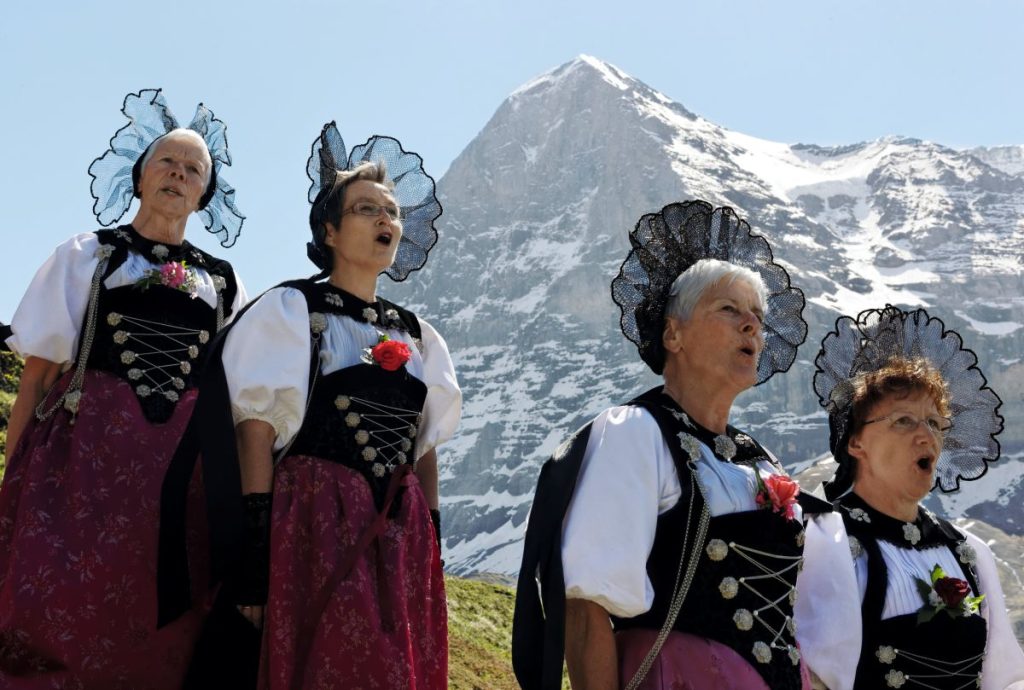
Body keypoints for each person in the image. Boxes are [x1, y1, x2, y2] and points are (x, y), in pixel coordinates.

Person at [162, 121, 460, 689]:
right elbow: (255, 430)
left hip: (398, 537)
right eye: (367, 209)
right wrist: (254, 551)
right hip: (314, 521)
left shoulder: (421, 337)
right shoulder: (293, 310)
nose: (385, 220)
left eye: (392, 212)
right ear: (330, 229)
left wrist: (432, 546)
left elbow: (424, 451)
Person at [513, 200, 834, 690]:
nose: (752, 325)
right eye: (729, 309)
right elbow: (586, 607)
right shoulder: (637, 432)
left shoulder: (761, 461)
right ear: (673, 333)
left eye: (757, 316)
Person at [0, 89, 246, 688]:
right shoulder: (88, 255)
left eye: (193, 169)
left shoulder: (223, 283)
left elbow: (232, 400)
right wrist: (13, 479)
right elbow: (38, 375)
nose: (178, 174)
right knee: (60, 600)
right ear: (139, 176)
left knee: (163, 623)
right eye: (167, 161)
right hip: (83, 461)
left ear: (204, 194)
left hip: (179, 477)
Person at [796, 305, 1024, 689]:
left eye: (934, 423)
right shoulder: (828, 543)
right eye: (903, 420)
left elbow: (1004, 681)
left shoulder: (968, 552)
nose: (926, 436)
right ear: (855, 442)